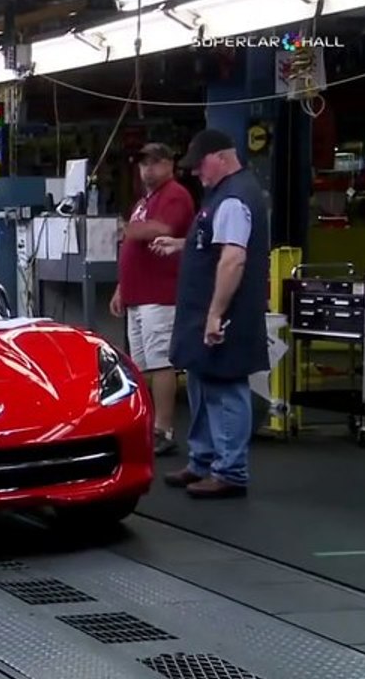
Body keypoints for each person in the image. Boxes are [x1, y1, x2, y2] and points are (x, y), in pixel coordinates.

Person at [150, 129, 269, 499]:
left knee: (226, 387)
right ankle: (202, 461)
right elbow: (215, 242)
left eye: (200, 165)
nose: (195, 172)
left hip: (224, 313)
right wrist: (182, 244)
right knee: (202, 383)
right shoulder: (221, 194)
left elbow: (233, 259)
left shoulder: (234, 198)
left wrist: (216, 314)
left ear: (221, 157)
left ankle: (230, 472)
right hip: (200, 313)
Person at [110, 143, 196, 456]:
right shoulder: (145, 201)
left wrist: (127, 228)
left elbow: (163, 228)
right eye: (143, 163)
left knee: (161, 363)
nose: (148, 169)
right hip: (138, 295)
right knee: (144, 364)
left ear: (170, 164)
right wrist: (122, 287)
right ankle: (150, 425)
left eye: (155, 163)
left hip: (160, 295)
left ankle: (164, 429)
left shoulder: (175, 195)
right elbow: (135, 246)